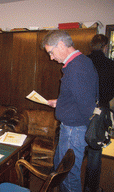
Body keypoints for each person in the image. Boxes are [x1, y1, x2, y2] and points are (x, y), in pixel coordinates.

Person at [41, 30, 98, 192]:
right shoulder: (82, 62)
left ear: (60, 45)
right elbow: (80, 96)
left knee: (69, 176)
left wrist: (64, 108)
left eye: (51, 52)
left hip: (74, 130)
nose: (51, 58)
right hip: (73, 128)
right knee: (61, 171)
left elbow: (86, 106)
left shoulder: (76, 68)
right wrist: (60, 103)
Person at [84, 34, 114, 192]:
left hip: (82, 111)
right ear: (105, 46)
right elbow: (110, 93)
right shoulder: (111, 64)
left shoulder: (83, 61)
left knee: (75, 151)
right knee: (95, 152)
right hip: (100, 112)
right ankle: (91, 189)